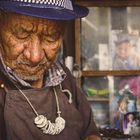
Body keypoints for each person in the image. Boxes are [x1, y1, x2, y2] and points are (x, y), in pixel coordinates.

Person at [0, 0, 101, 140]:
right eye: (21, 35)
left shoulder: (63, 76)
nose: (35, 57)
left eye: (50, 37)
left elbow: (90, 133)